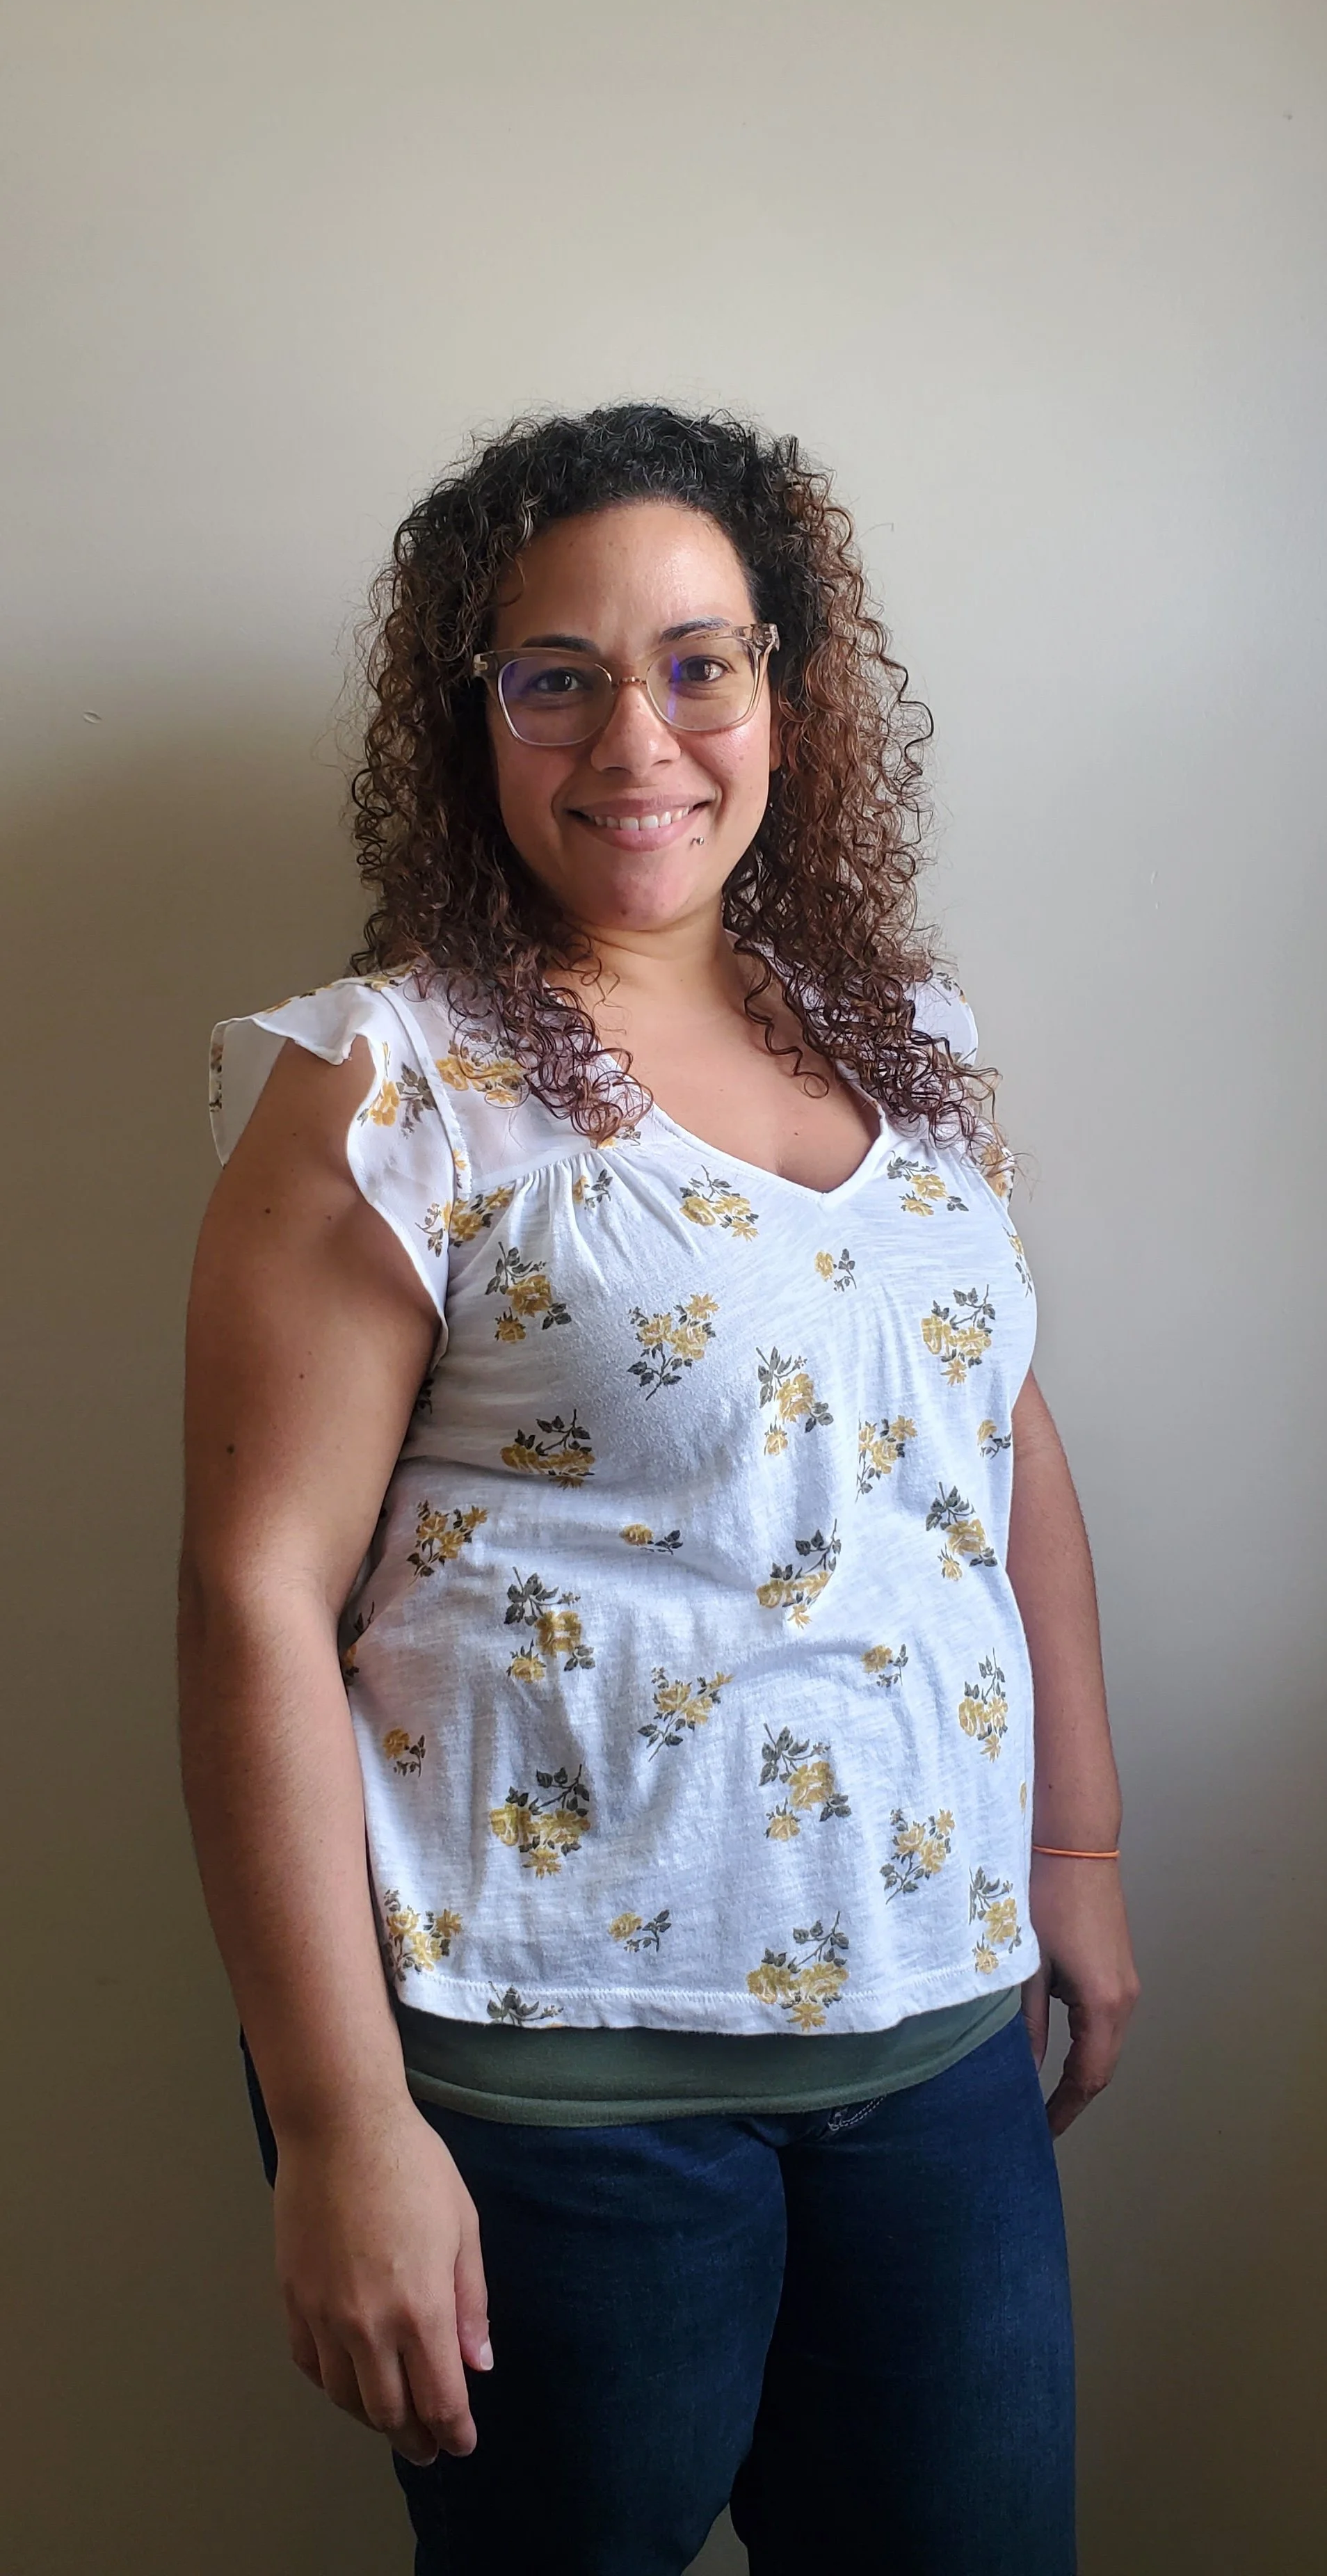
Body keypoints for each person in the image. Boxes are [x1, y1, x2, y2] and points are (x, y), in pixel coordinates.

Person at [179, 401, 1139, 2575]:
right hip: (551, 2091)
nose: (640, 736)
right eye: (559, 675)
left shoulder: (907, 1039)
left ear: (785, 696)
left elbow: (996, 1441)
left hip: (938, 2041)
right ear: (475, 720)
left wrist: (1072, 1848)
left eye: (700, 662)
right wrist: (337, 2127)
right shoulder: (393, 1082)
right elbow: (250, 1596)